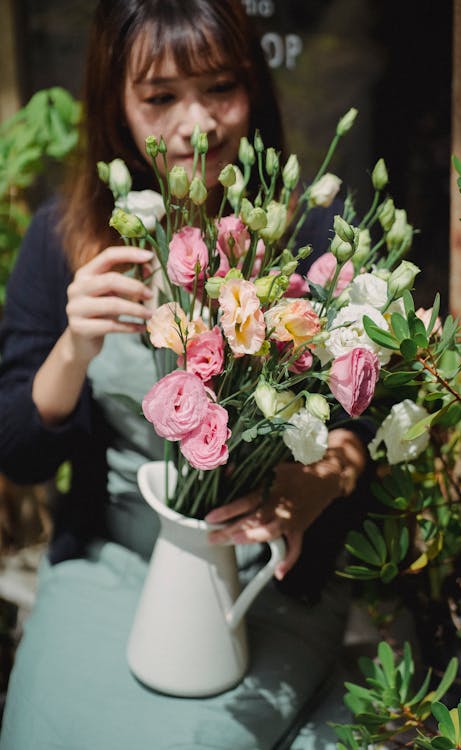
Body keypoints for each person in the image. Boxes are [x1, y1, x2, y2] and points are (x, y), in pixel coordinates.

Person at [0, 1, 371, 748]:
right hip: (112, 561)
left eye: (219, 88)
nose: (195, 124)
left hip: (270, 573)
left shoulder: (312, 236)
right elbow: (18, 451)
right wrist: (75, 345)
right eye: (160, 97)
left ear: (254, 91)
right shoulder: (65, 238)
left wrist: (317, 482)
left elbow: (361, 430)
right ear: (117, 107)